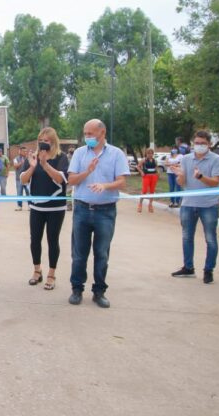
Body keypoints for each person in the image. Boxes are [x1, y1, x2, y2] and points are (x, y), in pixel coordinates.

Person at [67, 119, 129, 308]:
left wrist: (105, 186)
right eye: (85, 134)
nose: (87, 137)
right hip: (82, 209)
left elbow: (122, 182)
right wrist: (88, 171)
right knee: (79, 253)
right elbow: (71, 180)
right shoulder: (79, 153)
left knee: (101, 253)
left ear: (102, 133)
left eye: (91, 134)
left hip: (106, 211)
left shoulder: (116, 154)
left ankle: (99, 291)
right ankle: (77, 289)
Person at [171, 130, 219, 284]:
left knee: (210, 238)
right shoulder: (186, 159)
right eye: (197, 143)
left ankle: (208, 270)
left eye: (203, 143)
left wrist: (201, 177)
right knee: (187, 237)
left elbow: (215, 183)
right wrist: (180, 177)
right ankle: (188, 267)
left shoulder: (217, 159)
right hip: (188, 203)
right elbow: (183, 183)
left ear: (209, 144)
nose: (199, 146)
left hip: (209, 204)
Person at [20, 127, 69, 290]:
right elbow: (24, 180)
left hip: (55, 207)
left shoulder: (61, 157)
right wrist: (33, 166)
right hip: (36, 206)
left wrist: (45, 164)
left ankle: (51, 274)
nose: (43, 143)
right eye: (40, 140)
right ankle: (37, 270)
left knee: (52, 240)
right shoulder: (33, 157)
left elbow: (61, 179)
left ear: (53, 142)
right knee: (35, 239)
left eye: (46, 140)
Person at [136, 148, 159, 213]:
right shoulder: (144, 160)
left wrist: (157, 173)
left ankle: (150, 205)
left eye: (151, 153)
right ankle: (140, 204)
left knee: (152, 191)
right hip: (146, 176)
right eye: (148, 153)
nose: (150, 155)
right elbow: (138, 166)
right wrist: (141, 172)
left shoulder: (155, 160)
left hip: (153, 176)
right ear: (146, 154)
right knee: (144, 190)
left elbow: (156, 168)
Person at [13, 146, 30, 210]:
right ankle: (19, 206)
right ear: (20, 151)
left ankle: (30, 206)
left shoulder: (28, 158)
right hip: (19, 179)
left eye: (26, 151)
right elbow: (15, 166)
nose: (25, 152)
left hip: (27, 179)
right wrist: (21, 163)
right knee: (19, 193)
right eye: (24, 151)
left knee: (28, 193)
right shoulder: (16, 159)